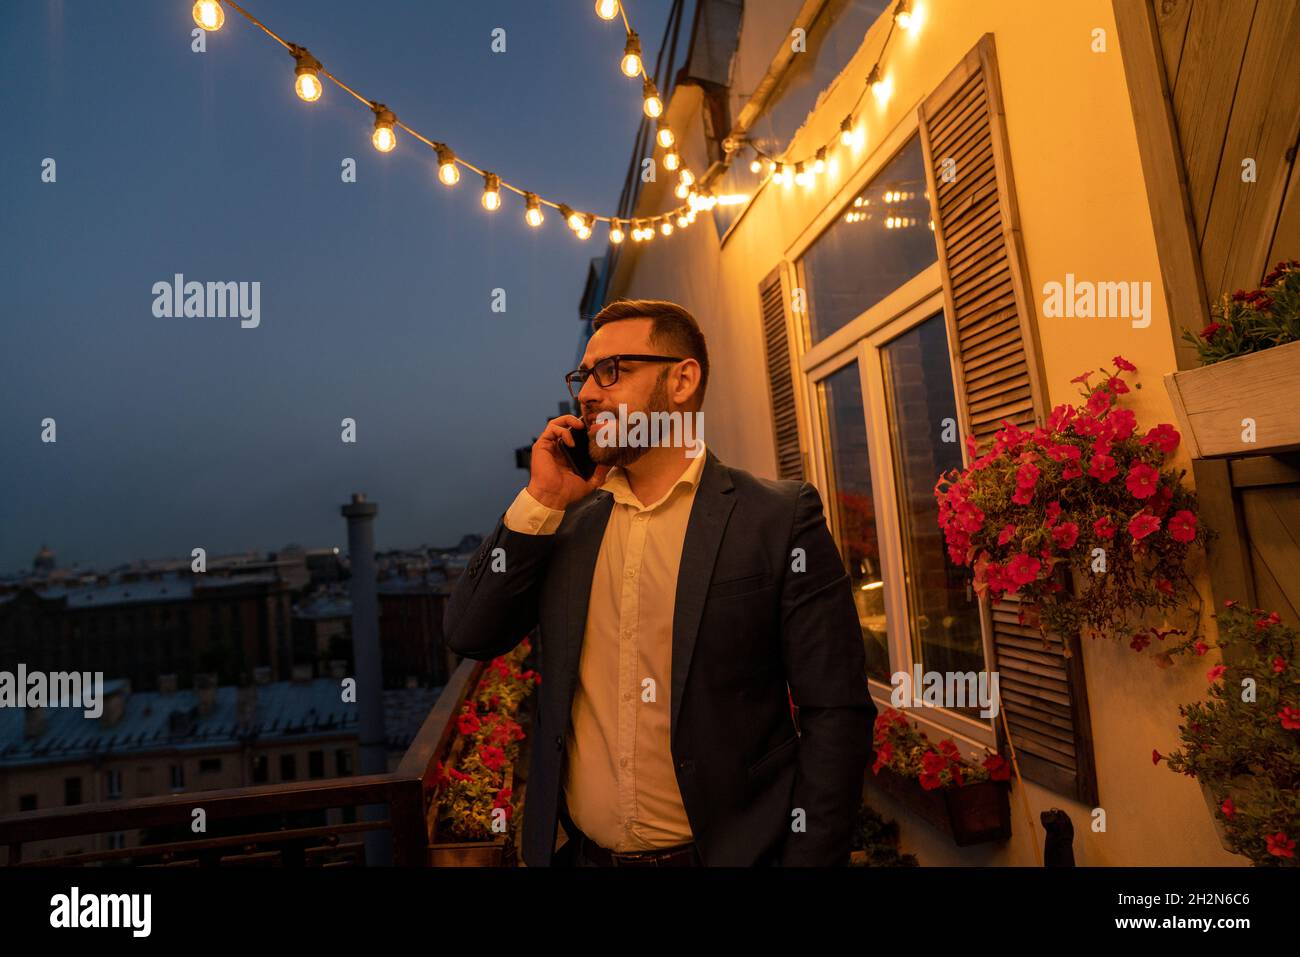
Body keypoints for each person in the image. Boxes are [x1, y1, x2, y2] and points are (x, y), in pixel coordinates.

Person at [444, 298, 876, 866]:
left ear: (682, 380)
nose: (587, 394)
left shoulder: (775, 518)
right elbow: (471, 632)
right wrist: (541, 500)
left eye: (611, 372)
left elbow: (835, 710)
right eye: (583, 376)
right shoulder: (567, 523)